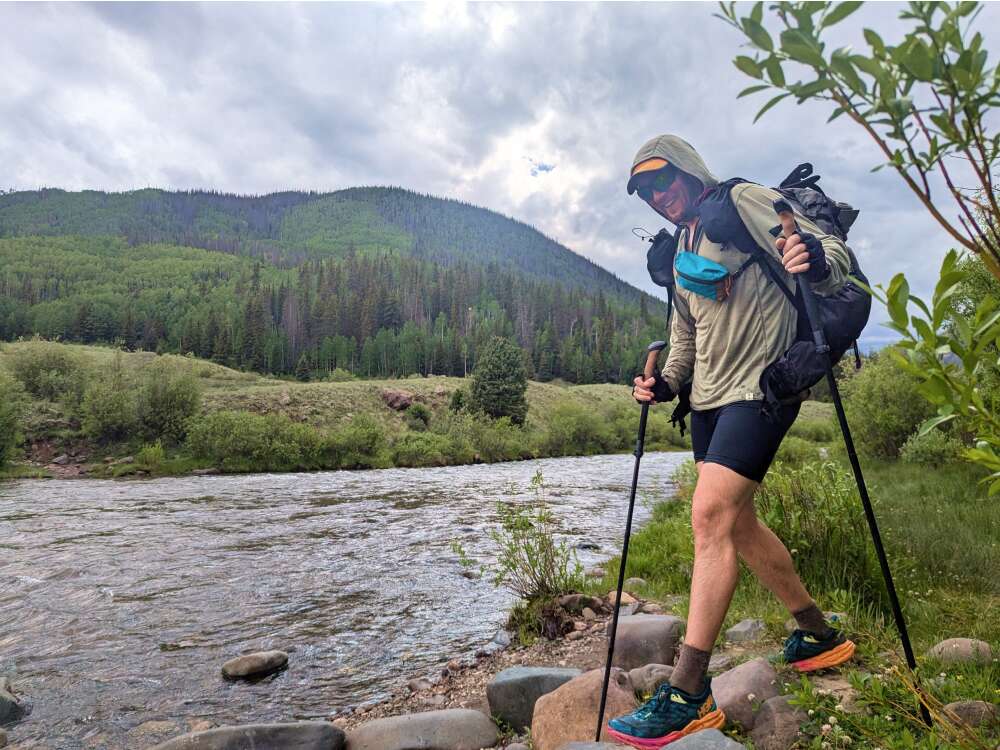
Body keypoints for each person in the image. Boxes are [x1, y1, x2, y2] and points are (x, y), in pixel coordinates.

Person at [606, 134, 856, 748]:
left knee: (709, 516)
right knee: (737, 527)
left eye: (663, 181)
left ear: (689, 172)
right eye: (645, 192)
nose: (657, 197)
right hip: (711, 403)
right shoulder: (683, 245)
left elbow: (827, 255)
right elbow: (685, 333)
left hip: (762, 388)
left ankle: (689, 691)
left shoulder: (741, 201)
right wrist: (664, 384)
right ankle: (818, 634)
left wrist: (815, 260)